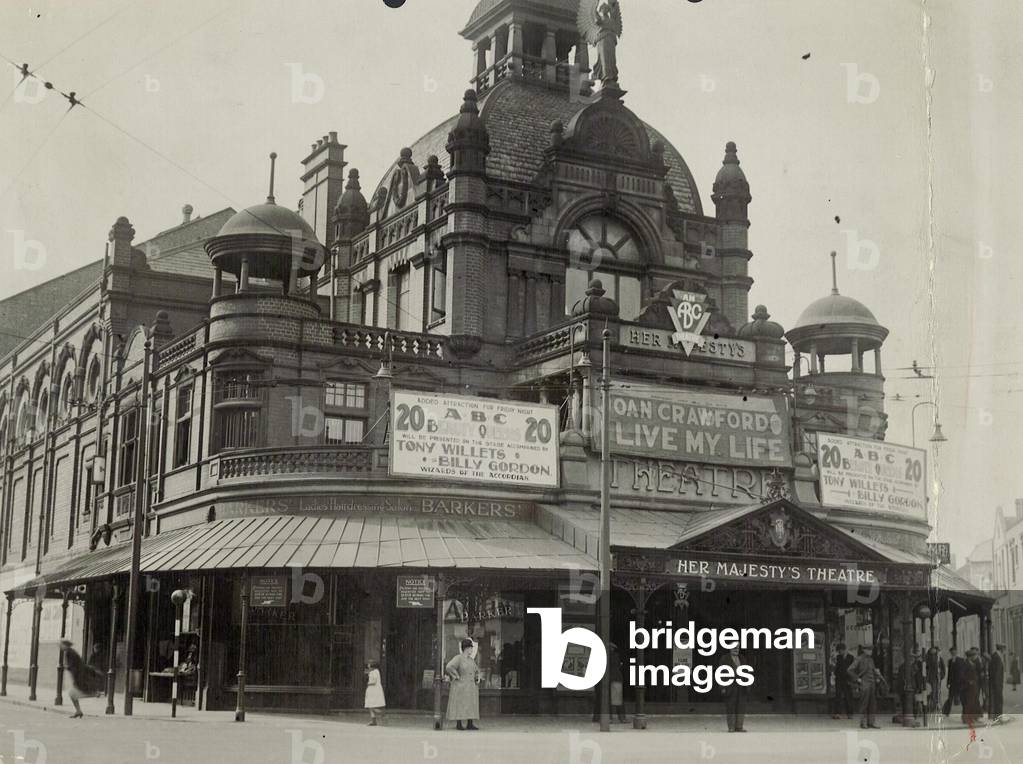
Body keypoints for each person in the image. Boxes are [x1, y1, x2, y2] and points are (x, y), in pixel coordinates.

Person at [60, 640, 105, 719]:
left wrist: (67, 667)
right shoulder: (69, 652)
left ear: (66, 645)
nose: (60, 646)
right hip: (77, 676)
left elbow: (77, 665)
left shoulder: (71, 653)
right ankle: (78, 711)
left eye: (62, 645)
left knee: (73, 693)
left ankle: (95, 694)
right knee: (73, 694)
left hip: (79, 676)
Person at [445, 638, 480, 731]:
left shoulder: (471, 660)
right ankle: (459, 724)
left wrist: (477, 677)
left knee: (470, 704)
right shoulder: (458, 658)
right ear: (467, 648)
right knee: (460, 704)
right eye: (471, 648)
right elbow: (449, 667)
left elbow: (476, 670)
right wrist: (456, 676)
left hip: (470, 685)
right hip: (461, 685)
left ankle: (470, 723)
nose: (472, 650)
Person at [591, 643, 627, 723]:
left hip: (605, 680)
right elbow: (619, 665)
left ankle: (605, 718)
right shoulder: (615, 656)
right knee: (617, 699)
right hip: (616, 678)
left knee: (604, 699)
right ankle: (621, 718)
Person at [848, 644, 880, 729]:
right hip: (865, 683)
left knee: (872, 704)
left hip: (872, 683)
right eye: (869, 649)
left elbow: (873, 670)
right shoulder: (859, 659)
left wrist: (877, 677)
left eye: (871, 650)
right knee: (864, 704)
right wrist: (858, 679)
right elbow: (850, 670)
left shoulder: (871, 660)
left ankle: (871, 722)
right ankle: (863, 722)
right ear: (864, 650)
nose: (871, 651)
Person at [720, 647, 748, 732]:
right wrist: (722, 687)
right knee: (730, 706)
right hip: (730, 686)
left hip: (741, 686)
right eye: (734, 648)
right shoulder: (724, 659)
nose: (736, 649)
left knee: (741, 706)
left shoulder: (742, 658)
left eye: (737, 647)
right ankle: (731, 727)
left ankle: (739, 726)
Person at [833, 643, 855, 720]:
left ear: (844, 650)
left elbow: (853, 669)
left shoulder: (851, 658)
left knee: (848, 696)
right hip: (839, 679)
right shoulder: (838, 657)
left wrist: (851, 679)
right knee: (838, 695)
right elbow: (837, 668)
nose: (839, 653)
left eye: (840, 651)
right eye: (838, 651)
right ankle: (837, 713)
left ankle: (850, 713)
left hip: (847, 679)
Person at [960, 648, 982, 726]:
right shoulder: (965, 663)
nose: (974, 657)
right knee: (968, 703)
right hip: (968, 687)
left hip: (973, 686)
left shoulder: (972, 663)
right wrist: (969, 681)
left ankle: (970, 718)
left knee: (972, 702)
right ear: (970, 656)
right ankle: (966, 719)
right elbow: (962, 675)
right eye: (973, 655)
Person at [364, 661, 385, 726]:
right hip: (374, 689)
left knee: (371, 705)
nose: (368, 665)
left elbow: (374, 682)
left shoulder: (373, 672)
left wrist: (368, 683)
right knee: (370, 705)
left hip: (373, 690)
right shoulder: (376, 671)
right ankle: (373, 720)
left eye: (369, 664)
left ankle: (380, 713)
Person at [925, 646, 945, 713]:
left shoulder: (939, 659)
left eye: (934, 651)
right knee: (929, 693)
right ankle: (929, 707)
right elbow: (925, 668)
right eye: (931, 651)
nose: (933, 652)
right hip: (928, 678)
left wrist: (940, 676)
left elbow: (943, 669)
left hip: (936, 679)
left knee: (936, 693)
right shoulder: (926, 659)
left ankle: (934, 706)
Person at [943, 647, 963, 716]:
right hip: (952, 683)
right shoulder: (950, 661)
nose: (953, 653)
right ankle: (946, 712)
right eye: (952, 652)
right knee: (950, 697)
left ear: (956, 652)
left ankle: (964, 712)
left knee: (962, 697)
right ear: (950, 653)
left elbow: (962, 672)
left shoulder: (961, 660)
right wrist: (948, 682)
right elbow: (949, 673)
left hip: (959, 682)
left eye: (954, 652)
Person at [989, 644, 1006, 720]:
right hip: (997, 683)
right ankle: (998, 716)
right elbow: (995, 672)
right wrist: (996, 684)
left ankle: (998, 716)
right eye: (1004, 649)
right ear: (1001, 649)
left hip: (998, 683)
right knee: (998, 699)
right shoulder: (996, 656)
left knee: (998, 699)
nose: (1004, 651)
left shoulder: (997, 656)